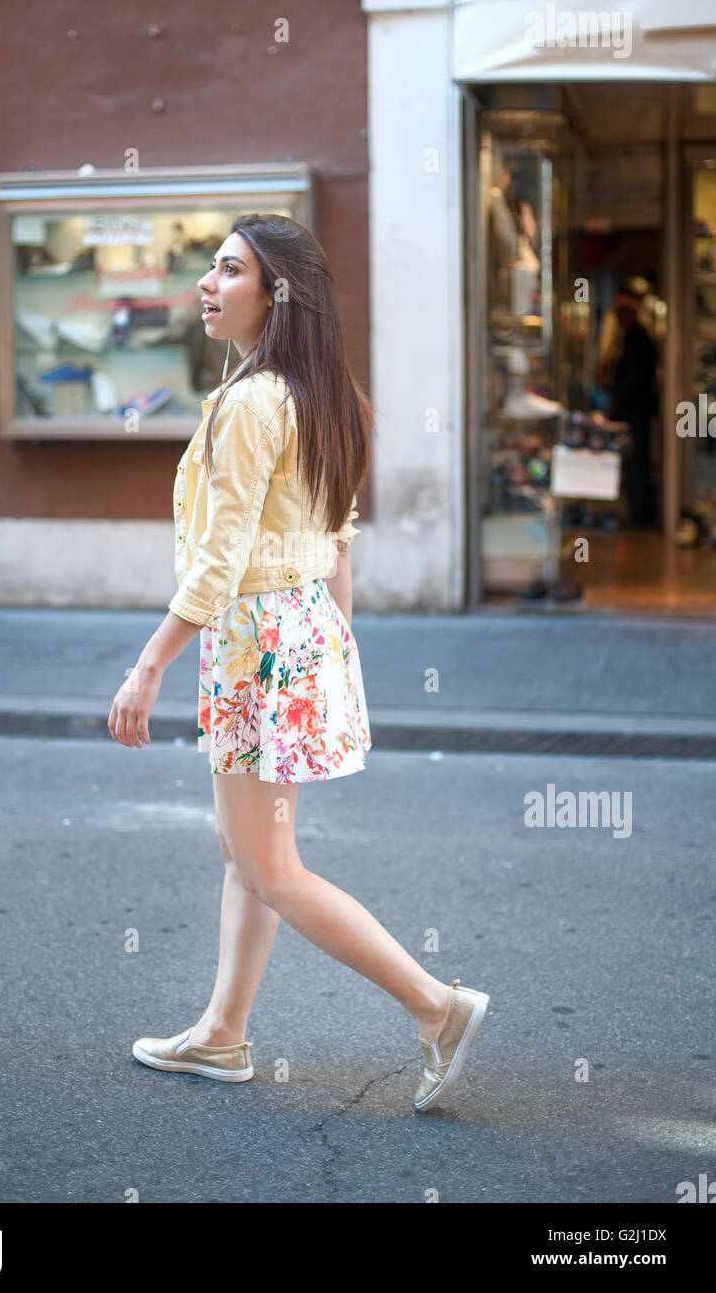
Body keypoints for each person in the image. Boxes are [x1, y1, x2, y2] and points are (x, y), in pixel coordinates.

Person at [108, 212, 489, 1112]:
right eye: (209, 267)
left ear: (275, 293)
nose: (206, 284)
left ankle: (437, 1007)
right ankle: (220, 1035)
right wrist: (338, 655)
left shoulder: (251, 403)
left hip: (257, 643)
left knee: (269, 863)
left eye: (228, 270)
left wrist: (149, 663)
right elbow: (336, 543)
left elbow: (221, 556)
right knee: (245, 851)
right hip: (299, 634)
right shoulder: (323, 394)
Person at [606, 293, 658, 525]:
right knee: (633, 462)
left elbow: (634, 380)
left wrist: (618, 405)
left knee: (636, 463)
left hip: (634, 412)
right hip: (632, 410)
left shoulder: (638, 339)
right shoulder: (631, 337)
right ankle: (638, 511)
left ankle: (641, 513)